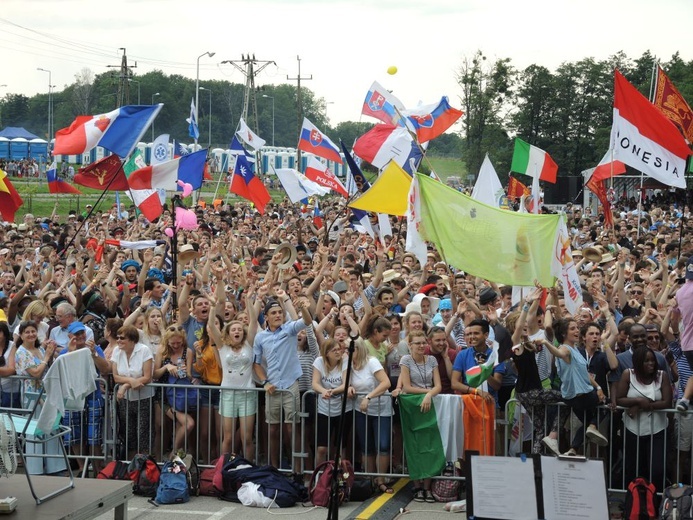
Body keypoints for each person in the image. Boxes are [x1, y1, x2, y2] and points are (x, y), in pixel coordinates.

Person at [253, 296, 312, 471]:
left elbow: (307, 321)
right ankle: (273, 468)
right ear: (266, 316)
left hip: (290, 385)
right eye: (274, 313)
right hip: (272, 386)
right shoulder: (260, 338)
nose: (278, 315)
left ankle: (298, 470)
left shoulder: (290, 329)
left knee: (292, 430)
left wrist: (303, 308)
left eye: (280, 312)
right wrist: (264, 382)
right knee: (272, 430)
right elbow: (256, 364)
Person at [542, 318, 609, 455]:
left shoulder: (576, 350)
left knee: (586, 421)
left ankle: (573, 448)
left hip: (574, 398)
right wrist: (545, 343)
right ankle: (593, 426)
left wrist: (599, 388)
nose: (577, 331)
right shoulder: (565, 349)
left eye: (577, 328)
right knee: (606, 404)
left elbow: (586, 375)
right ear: (564, 333)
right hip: (581, 396)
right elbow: (560, 354)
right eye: (572, 328)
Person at [615, 347, 671, 491]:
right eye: (646, 361)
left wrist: (641, 406)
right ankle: (634, 502)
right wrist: (639, 401)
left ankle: (656, 502)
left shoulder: (662, 375)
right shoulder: (629, 374)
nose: (651, 363)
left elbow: (667, 402)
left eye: (653, 360)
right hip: (633, 430)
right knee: (633, 469)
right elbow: (619, 399)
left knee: (657, 469)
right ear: (638, 362)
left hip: (657, 429)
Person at [14, 320, 65, 475]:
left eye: (33, 331)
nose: (31, 334)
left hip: (46, 394)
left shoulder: (39, 349)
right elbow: (35, 373)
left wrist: (48, 354)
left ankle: (55, 466)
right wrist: (47, 356)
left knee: (50, 427)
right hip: (31, 396)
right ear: (21, 335)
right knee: (34, 430)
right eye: (27, 332)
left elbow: (46, 370)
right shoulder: (21, 352)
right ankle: (35, 469)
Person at [396, 330, 441, 502]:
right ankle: (416, 486)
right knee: (413, 446)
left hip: (428, 403)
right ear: (410, 345)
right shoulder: (405, 360)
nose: (421, 346)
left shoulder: (432, 360)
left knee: (429, 445)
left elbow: (438, 386)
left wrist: (429, 395)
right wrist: (429, 392)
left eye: (424, 342)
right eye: (417, 343)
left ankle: (428, 487)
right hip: (411, 405)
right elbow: (407, 387)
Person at [347, 331, 392, 495]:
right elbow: (345, 382)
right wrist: (349, 388)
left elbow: (386, 382)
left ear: (359, 349)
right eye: (346, 350)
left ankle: (381, 480)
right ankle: (370, 480)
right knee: (366, 446)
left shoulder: (371, 362)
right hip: (361, 410)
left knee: (383, 445)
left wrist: (369, 397)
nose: (347, 353)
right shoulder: (348, 365)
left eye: (350, 350)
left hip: (381, 409)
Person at [111, 325, 154, 459]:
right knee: (128, 434)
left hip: (144, 398)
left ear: (132, 340)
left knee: (143, 434)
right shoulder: (116, 351)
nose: (118, 340)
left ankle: (144, 468)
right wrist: (131, 381)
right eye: (117, 337)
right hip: (125, 400)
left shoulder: (144, 350)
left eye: (122, 338)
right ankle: (130, 467)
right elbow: (116, 377)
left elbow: (147, 377)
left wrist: (124, 386)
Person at [152, 325, 196, 455]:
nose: (176, 346)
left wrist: (182, 370)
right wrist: (167, 367)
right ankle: (160, 459)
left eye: (179, 343)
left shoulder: (187, 352)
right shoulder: (162, 350)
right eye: (173, 343)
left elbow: (189, 375)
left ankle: (174, 455)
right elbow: (155, 374)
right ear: (167, 341)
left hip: (180, 395)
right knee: (161, 427)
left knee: (184, 425)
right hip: (164, 394)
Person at [312, 339, 351, 465]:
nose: (338, 352)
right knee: (322, 448)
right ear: (326, 353)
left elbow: (346, 384)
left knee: (340, 447)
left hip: (343, 409)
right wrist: (323, 391)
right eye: (334, 350)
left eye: (339, 349)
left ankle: (340, 477)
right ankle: (319, 476)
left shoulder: (345, 360)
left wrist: (331, 392)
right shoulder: (319, 361)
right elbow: (315, 383)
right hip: (324, 409)